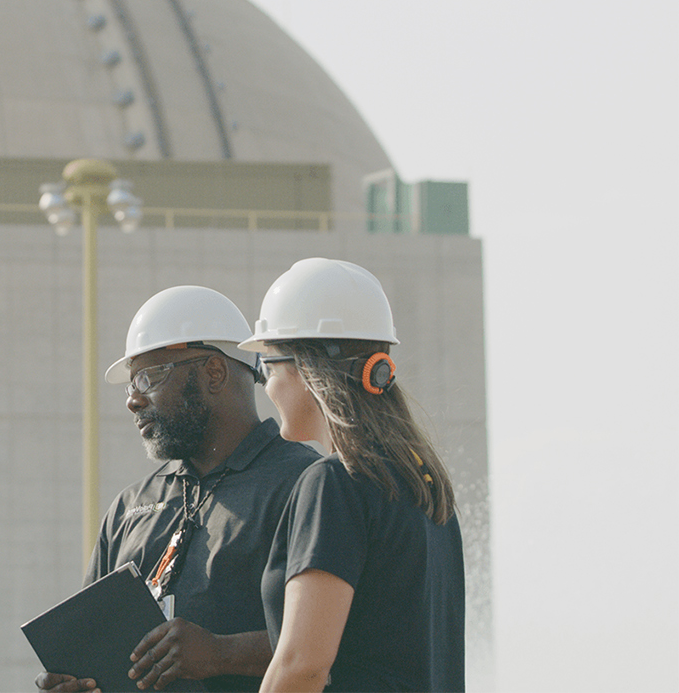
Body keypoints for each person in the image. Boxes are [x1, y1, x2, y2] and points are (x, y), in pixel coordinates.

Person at [38, 286, 320, 693]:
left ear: (214, 373)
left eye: (148, 378)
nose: (133, 400)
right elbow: (92, 643)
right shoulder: (129, 509)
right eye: (130, 384)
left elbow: (343, 639)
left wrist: (221, 653)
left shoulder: (306, 485)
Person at [241, 258, 464, 692]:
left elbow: (303, 665)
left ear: (306, 369)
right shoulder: (428, 490)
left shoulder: (336, 484)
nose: (266, 388)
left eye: (267, 368)